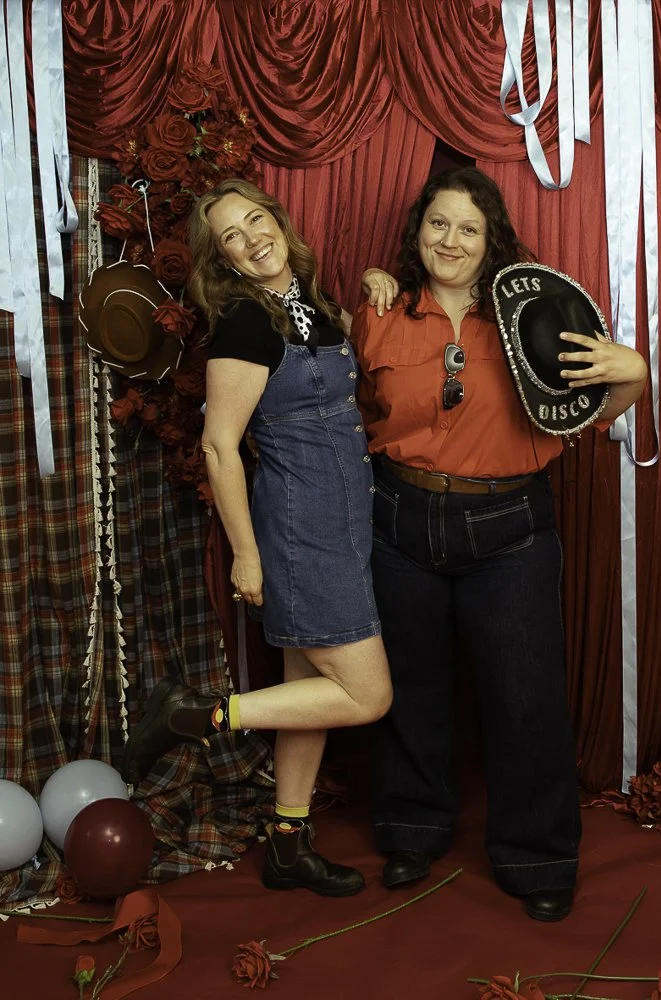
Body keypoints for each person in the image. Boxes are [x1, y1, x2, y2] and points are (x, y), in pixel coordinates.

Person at [352, 167, 647, 921]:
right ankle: (412, 828)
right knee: (410, 689)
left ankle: (540, 856)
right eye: (438, 224)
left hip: (509, 527)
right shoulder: (379, 312)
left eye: (468, 228)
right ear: (419, 233)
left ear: (492, 243)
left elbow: (586, 410)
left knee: (526, 697)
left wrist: (634, 376)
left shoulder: (533, 317)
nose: (450, 240)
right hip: (401, 520)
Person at [121, 178, 393, 897]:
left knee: (311, 687)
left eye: (255, 220)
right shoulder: (244, 323)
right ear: (223, 261)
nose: (251, 238)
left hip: (344, 522)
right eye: (230, 237)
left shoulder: (312, 303)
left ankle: (286, 843)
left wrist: (377, 283)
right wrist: (246, 552)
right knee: (366, 695)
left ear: (278, 220)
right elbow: (219, 447)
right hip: (302, 528)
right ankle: (197, 713)